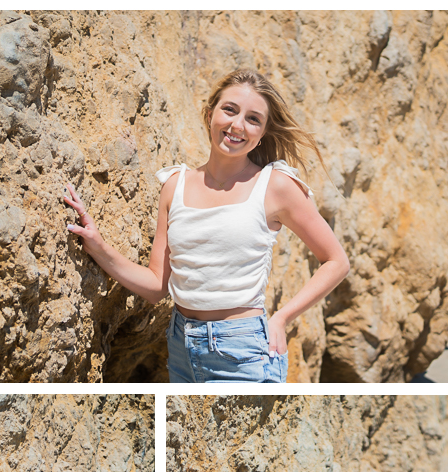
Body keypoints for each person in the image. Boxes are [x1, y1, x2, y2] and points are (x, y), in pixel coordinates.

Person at [63, 68, 349, 384]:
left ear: (263, 132)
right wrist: (97, 246)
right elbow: (157, 285)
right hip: (181, 343)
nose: (238, 125)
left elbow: (336, 261)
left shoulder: (275, 186)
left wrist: (281, 318)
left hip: (243, 351)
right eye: (230, 110)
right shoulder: (175, 185)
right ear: (210, 112)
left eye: (253, 119)